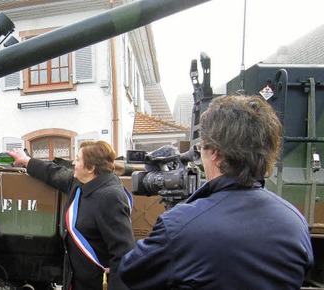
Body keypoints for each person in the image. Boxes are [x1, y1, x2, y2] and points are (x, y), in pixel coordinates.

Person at [119, 95, 314, 289]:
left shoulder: (181, 226)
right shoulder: (296, 222)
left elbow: (130, 270)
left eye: (201, 148)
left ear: (215, 154)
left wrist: (178, 217)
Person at [8, 141, 134, 290]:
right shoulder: (80, 183)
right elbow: (53, 173)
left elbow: (123, 252)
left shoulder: (110, 197)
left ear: (91, 168)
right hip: (77, 280)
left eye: (78, 159)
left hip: (96, 284)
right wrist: (26, 160)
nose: (74, 162)